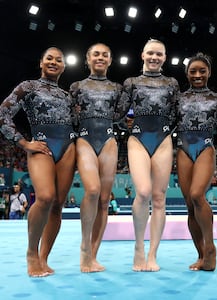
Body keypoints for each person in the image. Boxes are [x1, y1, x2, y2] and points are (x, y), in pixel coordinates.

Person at [0, 47, 76, 277]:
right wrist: (23, 143)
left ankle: (44, 258)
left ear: (63, 66)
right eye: (49, 58)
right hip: (40, 145)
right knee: (44, 197)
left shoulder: (67, 96)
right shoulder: (28, 87)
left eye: (58, 60)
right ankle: (32, 253)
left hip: (68, 148)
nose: (54, 62)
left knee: (57, 206)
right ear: (41, 62)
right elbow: (2, 114)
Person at [115, 38, 180, 271]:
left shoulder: (172, 83)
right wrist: (126, 125)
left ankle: (153, 254)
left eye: (159, 54)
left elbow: (177, 113)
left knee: (160, 198)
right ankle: (138, 248)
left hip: (162, 140)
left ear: (164, 57)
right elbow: (119, 113)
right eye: (150, 53)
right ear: (142, 55)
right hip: (138, 139)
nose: (154, 57)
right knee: (143, 192)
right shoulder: (131, 82)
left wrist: (169, 131)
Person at [69, 43, 122, 273]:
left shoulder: (117, 88)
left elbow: (123, 114)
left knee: (103, 200)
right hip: (84, 139)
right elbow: (69, 116)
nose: (100, 58)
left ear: (110, 60)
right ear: (87, 59)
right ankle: (84, 247)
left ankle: (93, 253)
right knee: (92, 190)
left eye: (105, 55)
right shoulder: (77, 86)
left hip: (109, 141)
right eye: (96, 54)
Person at [176, 53, 217, 271]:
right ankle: (201, 254)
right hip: (183, 149)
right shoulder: (178, 98)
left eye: (202, 71)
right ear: (187, 73)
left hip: (205, 147)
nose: (197, 75)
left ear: (209, 73)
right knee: (189, 205)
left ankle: (211, 248)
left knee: (197, 195)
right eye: (193, 71)